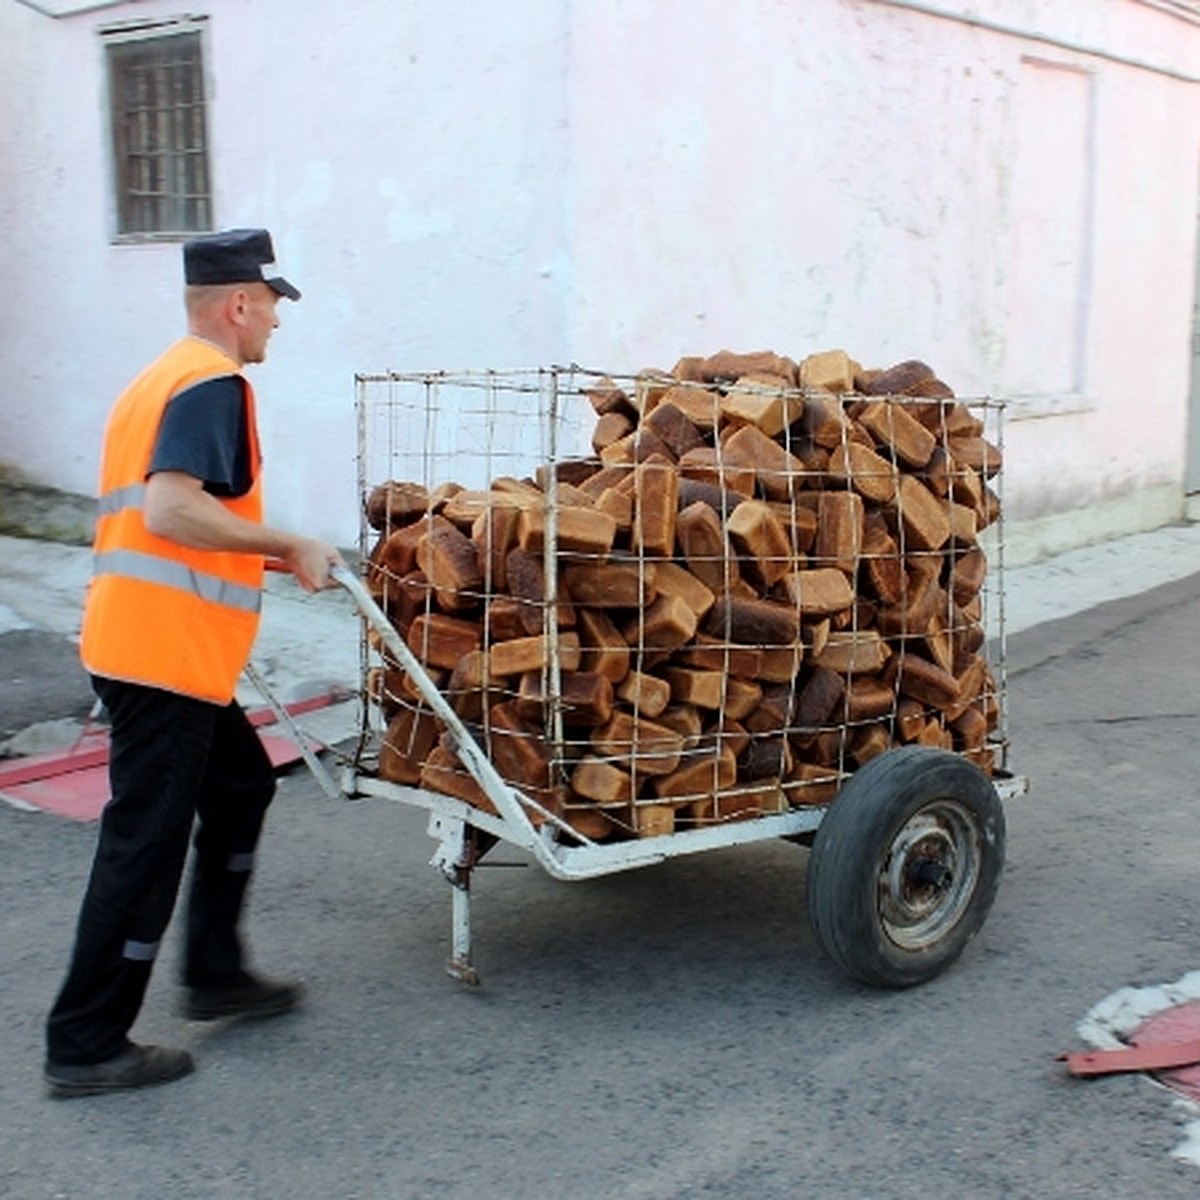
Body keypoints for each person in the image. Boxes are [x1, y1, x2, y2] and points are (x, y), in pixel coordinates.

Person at [43, 228, 343, 1098]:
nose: (278, 325)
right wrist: (287, 537)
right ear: (238, 304)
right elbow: (174, 512)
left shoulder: (157, 378)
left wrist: (271, 556)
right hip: (163, 662)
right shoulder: (215, 384)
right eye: (274, 308)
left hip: (151, 648)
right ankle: (86, 1042)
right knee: (142, 847)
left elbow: (174, 520)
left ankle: (215, 970)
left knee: (242, 785)